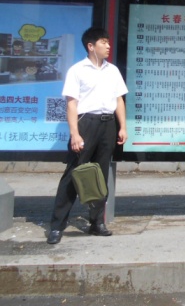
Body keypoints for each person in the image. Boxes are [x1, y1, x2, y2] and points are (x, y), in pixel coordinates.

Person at [46, 27, 128, 245]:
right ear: (91, 46)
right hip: (86, 124)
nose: (108, 46)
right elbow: (71, 104)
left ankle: (96, 222)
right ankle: (57, 226)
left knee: (100, 174)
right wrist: (74, 133)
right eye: (104, 42)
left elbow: (119, 100)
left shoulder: (113, 71)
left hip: (108, 125)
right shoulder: (77, 70)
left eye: (108, 42)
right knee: (74, 173)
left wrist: (123, 126)